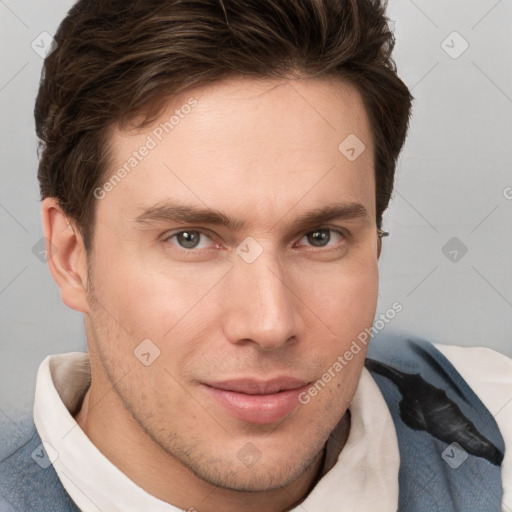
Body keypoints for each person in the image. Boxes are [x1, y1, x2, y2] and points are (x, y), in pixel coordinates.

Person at [0, 0, 510, 511]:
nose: (269, 324)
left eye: (319, 236)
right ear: (71, 257)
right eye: (190, 239)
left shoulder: (497, 418)